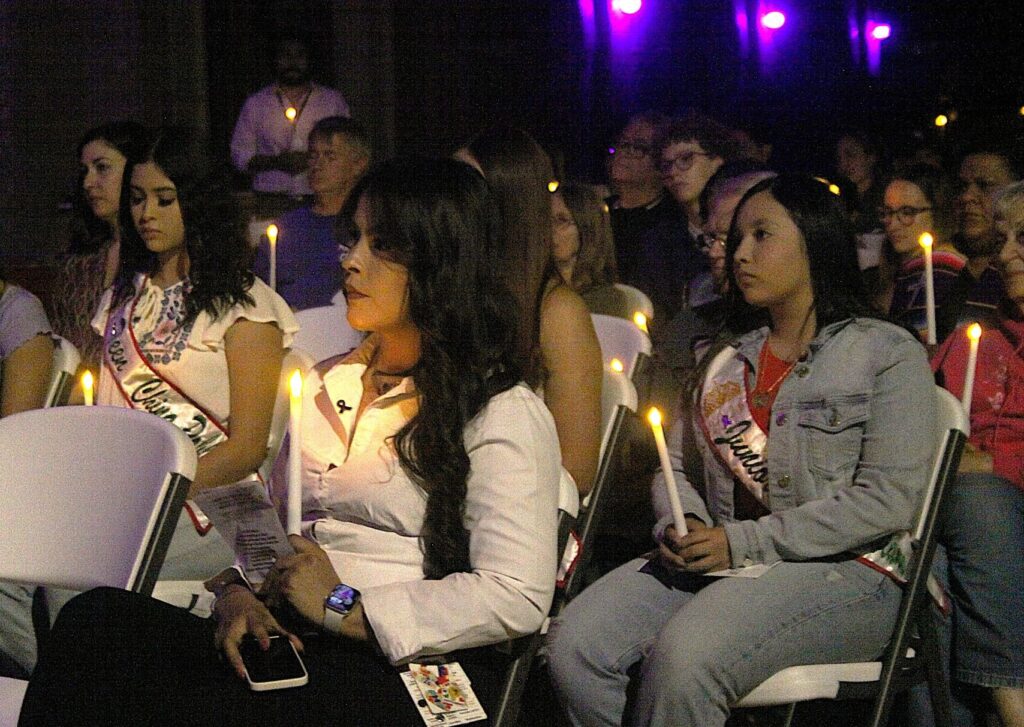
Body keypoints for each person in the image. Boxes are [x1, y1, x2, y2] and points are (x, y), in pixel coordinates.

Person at [18, 157, 562, 726]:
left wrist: (344, 607)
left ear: (440, 263)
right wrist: (238, 593)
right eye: (353, 239)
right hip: (290, 636)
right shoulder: (327, 382)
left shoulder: (501, 411)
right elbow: (271, 535)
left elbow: (515, 595)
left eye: (381, 246)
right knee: (96, 622)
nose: (351, 261)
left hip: (403, 664)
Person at [547, 175, 936, 726]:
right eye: (736, 240)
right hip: (724, 559)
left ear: (815, 243)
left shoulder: (886, 353)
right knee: (575, 649)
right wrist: (684, 522)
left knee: (685, 662)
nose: (741, 254)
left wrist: (742, 542)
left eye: (761, 236)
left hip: (849, 569)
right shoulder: (725, 355)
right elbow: (675, 463)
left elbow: (887, 501)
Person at [916, 181, 1024, 727]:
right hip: (957, 516)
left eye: (1022, 238)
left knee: (975, 504)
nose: (1005, 255)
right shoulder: (972, 336)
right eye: (1004, 238)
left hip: (1003, 510)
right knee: (925, 572)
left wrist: (989, 466)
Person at [459, 126, 602, 497]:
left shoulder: (558, 313)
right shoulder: (449, 291)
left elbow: (576, 471)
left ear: (506, 205)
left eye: (464, 188)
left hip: (515, 507)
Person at [49, 121, 148, 378]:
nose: (88, 182)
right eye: (85, 171)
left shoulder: (157, 256)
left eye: (102, 168)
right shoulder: (79, 261)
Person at [630, 112, 739, 325]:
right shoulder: (658, 242)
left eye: (686, 159)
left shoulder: (746, 231)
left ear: (717, 161)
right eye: (666, 165)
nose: (673, 172)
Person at [253, 116, 371, 309]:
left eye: (330, 157)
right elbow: (260, 290)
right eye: (313, 156)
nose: (317, 165)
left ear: (358, 164)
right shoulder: (288, 227)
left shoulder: (368, 226)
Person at [230, 34, 350, 197]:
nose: (292, 62)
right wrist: (276, 162)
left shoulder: (332, 101)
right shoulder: (256, 104)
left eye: (299, 55)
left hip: (319, 197)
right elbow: (240, 155)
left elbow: (347, 149)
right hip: (270, 197)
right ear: (276, 60)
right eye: (286, 55)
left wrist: (312, 158)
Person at [938, 145, 1021, 340]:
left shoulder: (1015, 271)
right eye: (962, 187)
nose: (967, 197)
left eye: (984, 185)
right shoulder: (941, 267)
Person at [874, 164, 965, 339]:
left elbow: (916, 342)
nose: (892, 223)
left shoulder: (940, 264)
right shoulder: (901, 266)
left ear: (938, 212)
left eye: (907, 212)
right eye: (887, 212)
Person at [604, 112, 678, 283]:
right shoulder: (596, 211)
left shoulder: (669, 222)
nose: (625, 152)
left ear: (662, 164)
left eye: (638, 147)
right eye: (623, 143)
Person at [552, 181, 631, 318]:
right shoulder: (534, 290)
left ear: (588, 230)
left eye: (561, 221)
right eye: (545, 219)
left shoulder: (606, 301)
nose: (549, 229)